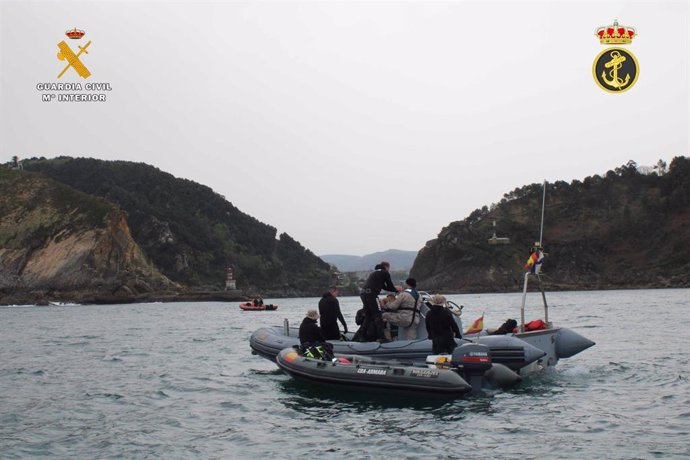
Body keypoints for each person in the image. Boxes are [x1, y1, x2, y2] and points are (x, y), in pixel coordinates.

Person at [354, 261, 398, 342]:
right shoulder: (385, 273)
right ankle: (382, 337)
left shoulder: (374, 273)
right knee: (378, 314)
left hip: (363, 294)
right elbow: (390, 285)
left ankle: (362, 336)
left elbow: (384, 287)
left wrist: (394, 289)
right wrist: (397, 289)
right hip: (372, 294)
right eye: (389, 268)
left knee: (368, 315)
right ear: (386, 267)